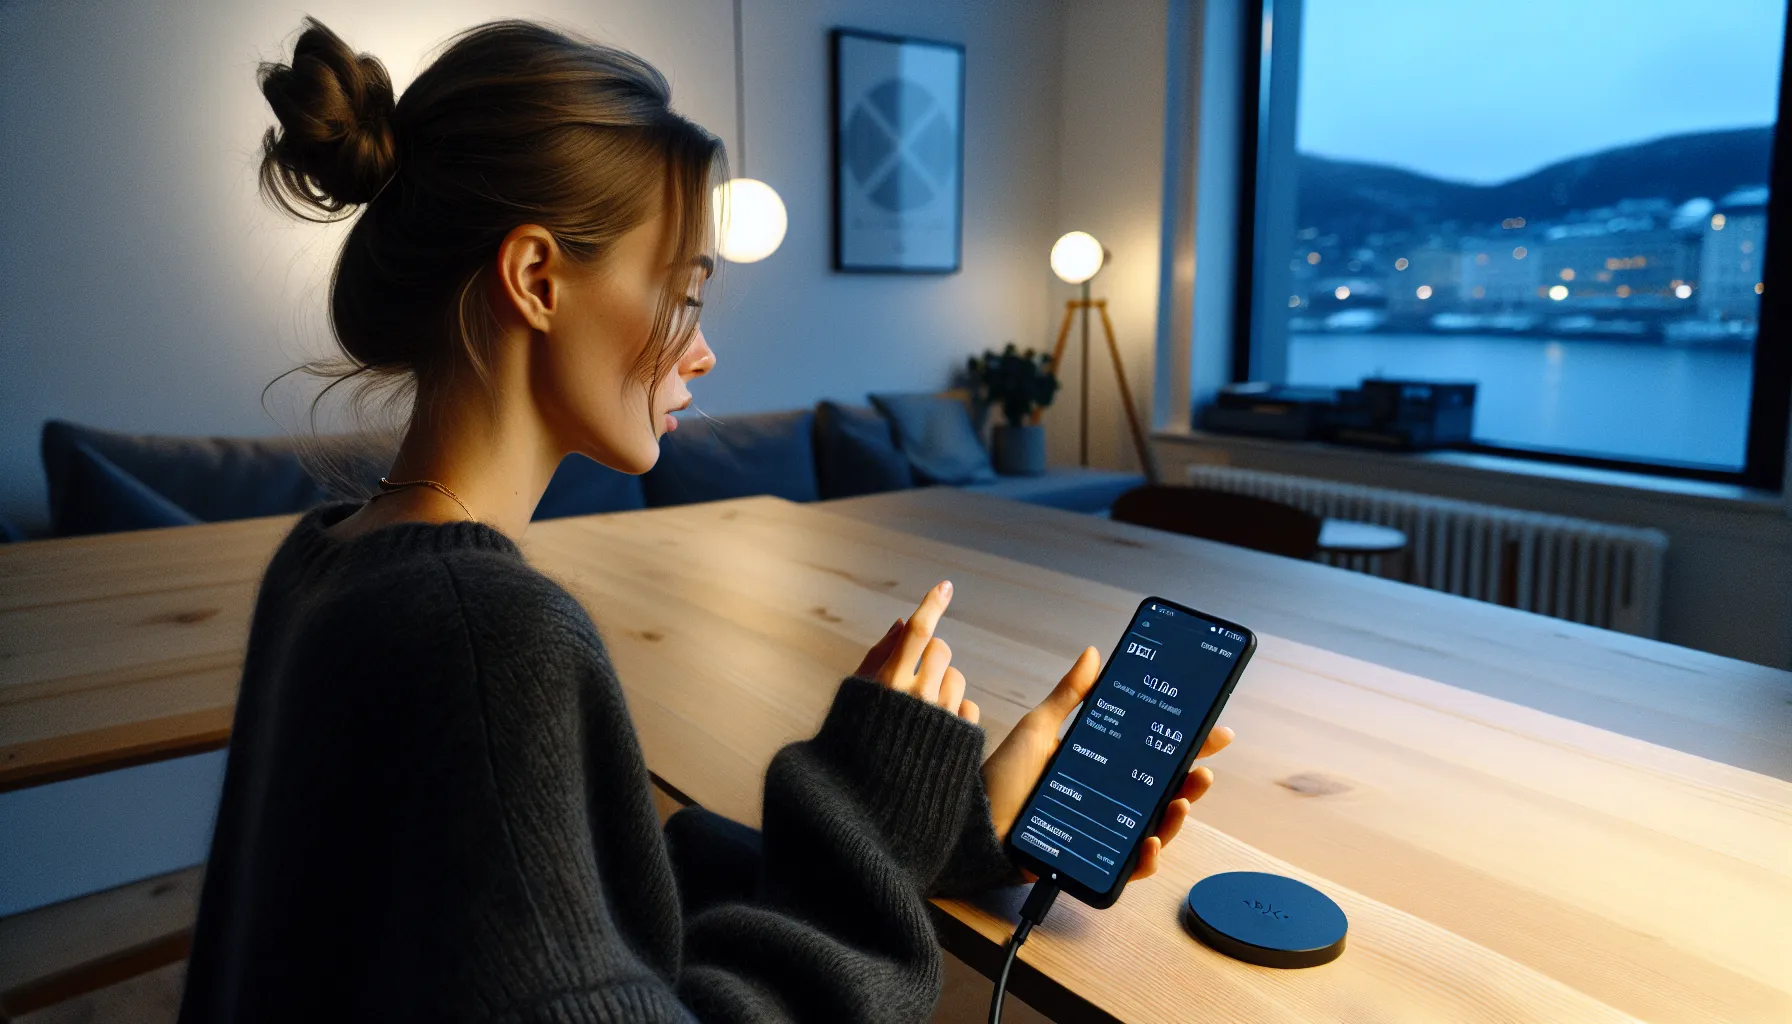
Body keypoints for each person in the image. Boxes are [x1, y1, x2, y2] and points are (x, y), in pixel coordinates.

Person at [179, 17, 1234, 1023]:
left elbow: (583, 901)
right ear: (537, 279)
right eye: (684, 293)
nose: (702, 347)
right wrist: (861, 816)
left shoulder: (328, 559)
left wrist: (942, 823)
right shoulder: (484, 632)